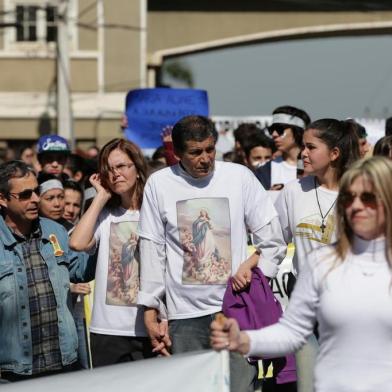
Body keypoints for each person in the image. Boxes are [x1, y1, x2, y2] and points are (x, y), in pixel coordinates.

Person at [212, 156, 392, 392]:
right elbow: (293, 331)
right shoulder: (322, 262)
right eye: (348, 198)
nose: (355, 205)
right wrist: (245, 340)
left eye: (367, 197)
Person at [137, 115, 287, 392]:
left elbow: (273, 238)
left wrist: (255, 274)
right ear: (179, 152)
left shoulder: (239, 176)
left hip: (236, 311)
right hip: (184, 316)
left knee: (240, 387)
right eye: (195, 152)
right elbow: (151, 248)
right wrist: (151, 307)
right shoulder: (159, 184)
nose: (205, 158)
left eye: (210, 149)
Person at [273, 118, 360, 391]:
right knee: (309, 383)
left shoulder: (361, 193)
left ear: (335, 153)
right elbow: (273, 242)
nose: (303, 154)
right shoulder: (293, 192)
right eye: (303, 147)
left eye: (311, 147)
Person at [0, 161, 90, 381]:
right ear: (2, 199)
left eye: (36, 191)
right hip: (12, 373)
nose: (35, 199)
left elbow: (80, 270)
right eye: (25, 194)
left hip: (63, 366)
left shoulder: (55, 231)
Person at [69, 138, 153, 367]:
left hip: (150, 327)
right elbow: (77, 243)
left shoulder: (155, 210)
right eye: (109, 169)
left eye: (122, 166)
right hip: (108, 331)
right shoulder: (106, 215)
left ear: (137, 167)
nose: (115, 174)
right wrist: (101, 197)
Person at [255, 105, 310, 190]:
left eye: (279, 129)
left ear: (298, 131)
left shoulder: (316, 168)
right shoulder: (264, 171)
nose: (274, 134)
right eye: (271, 129)